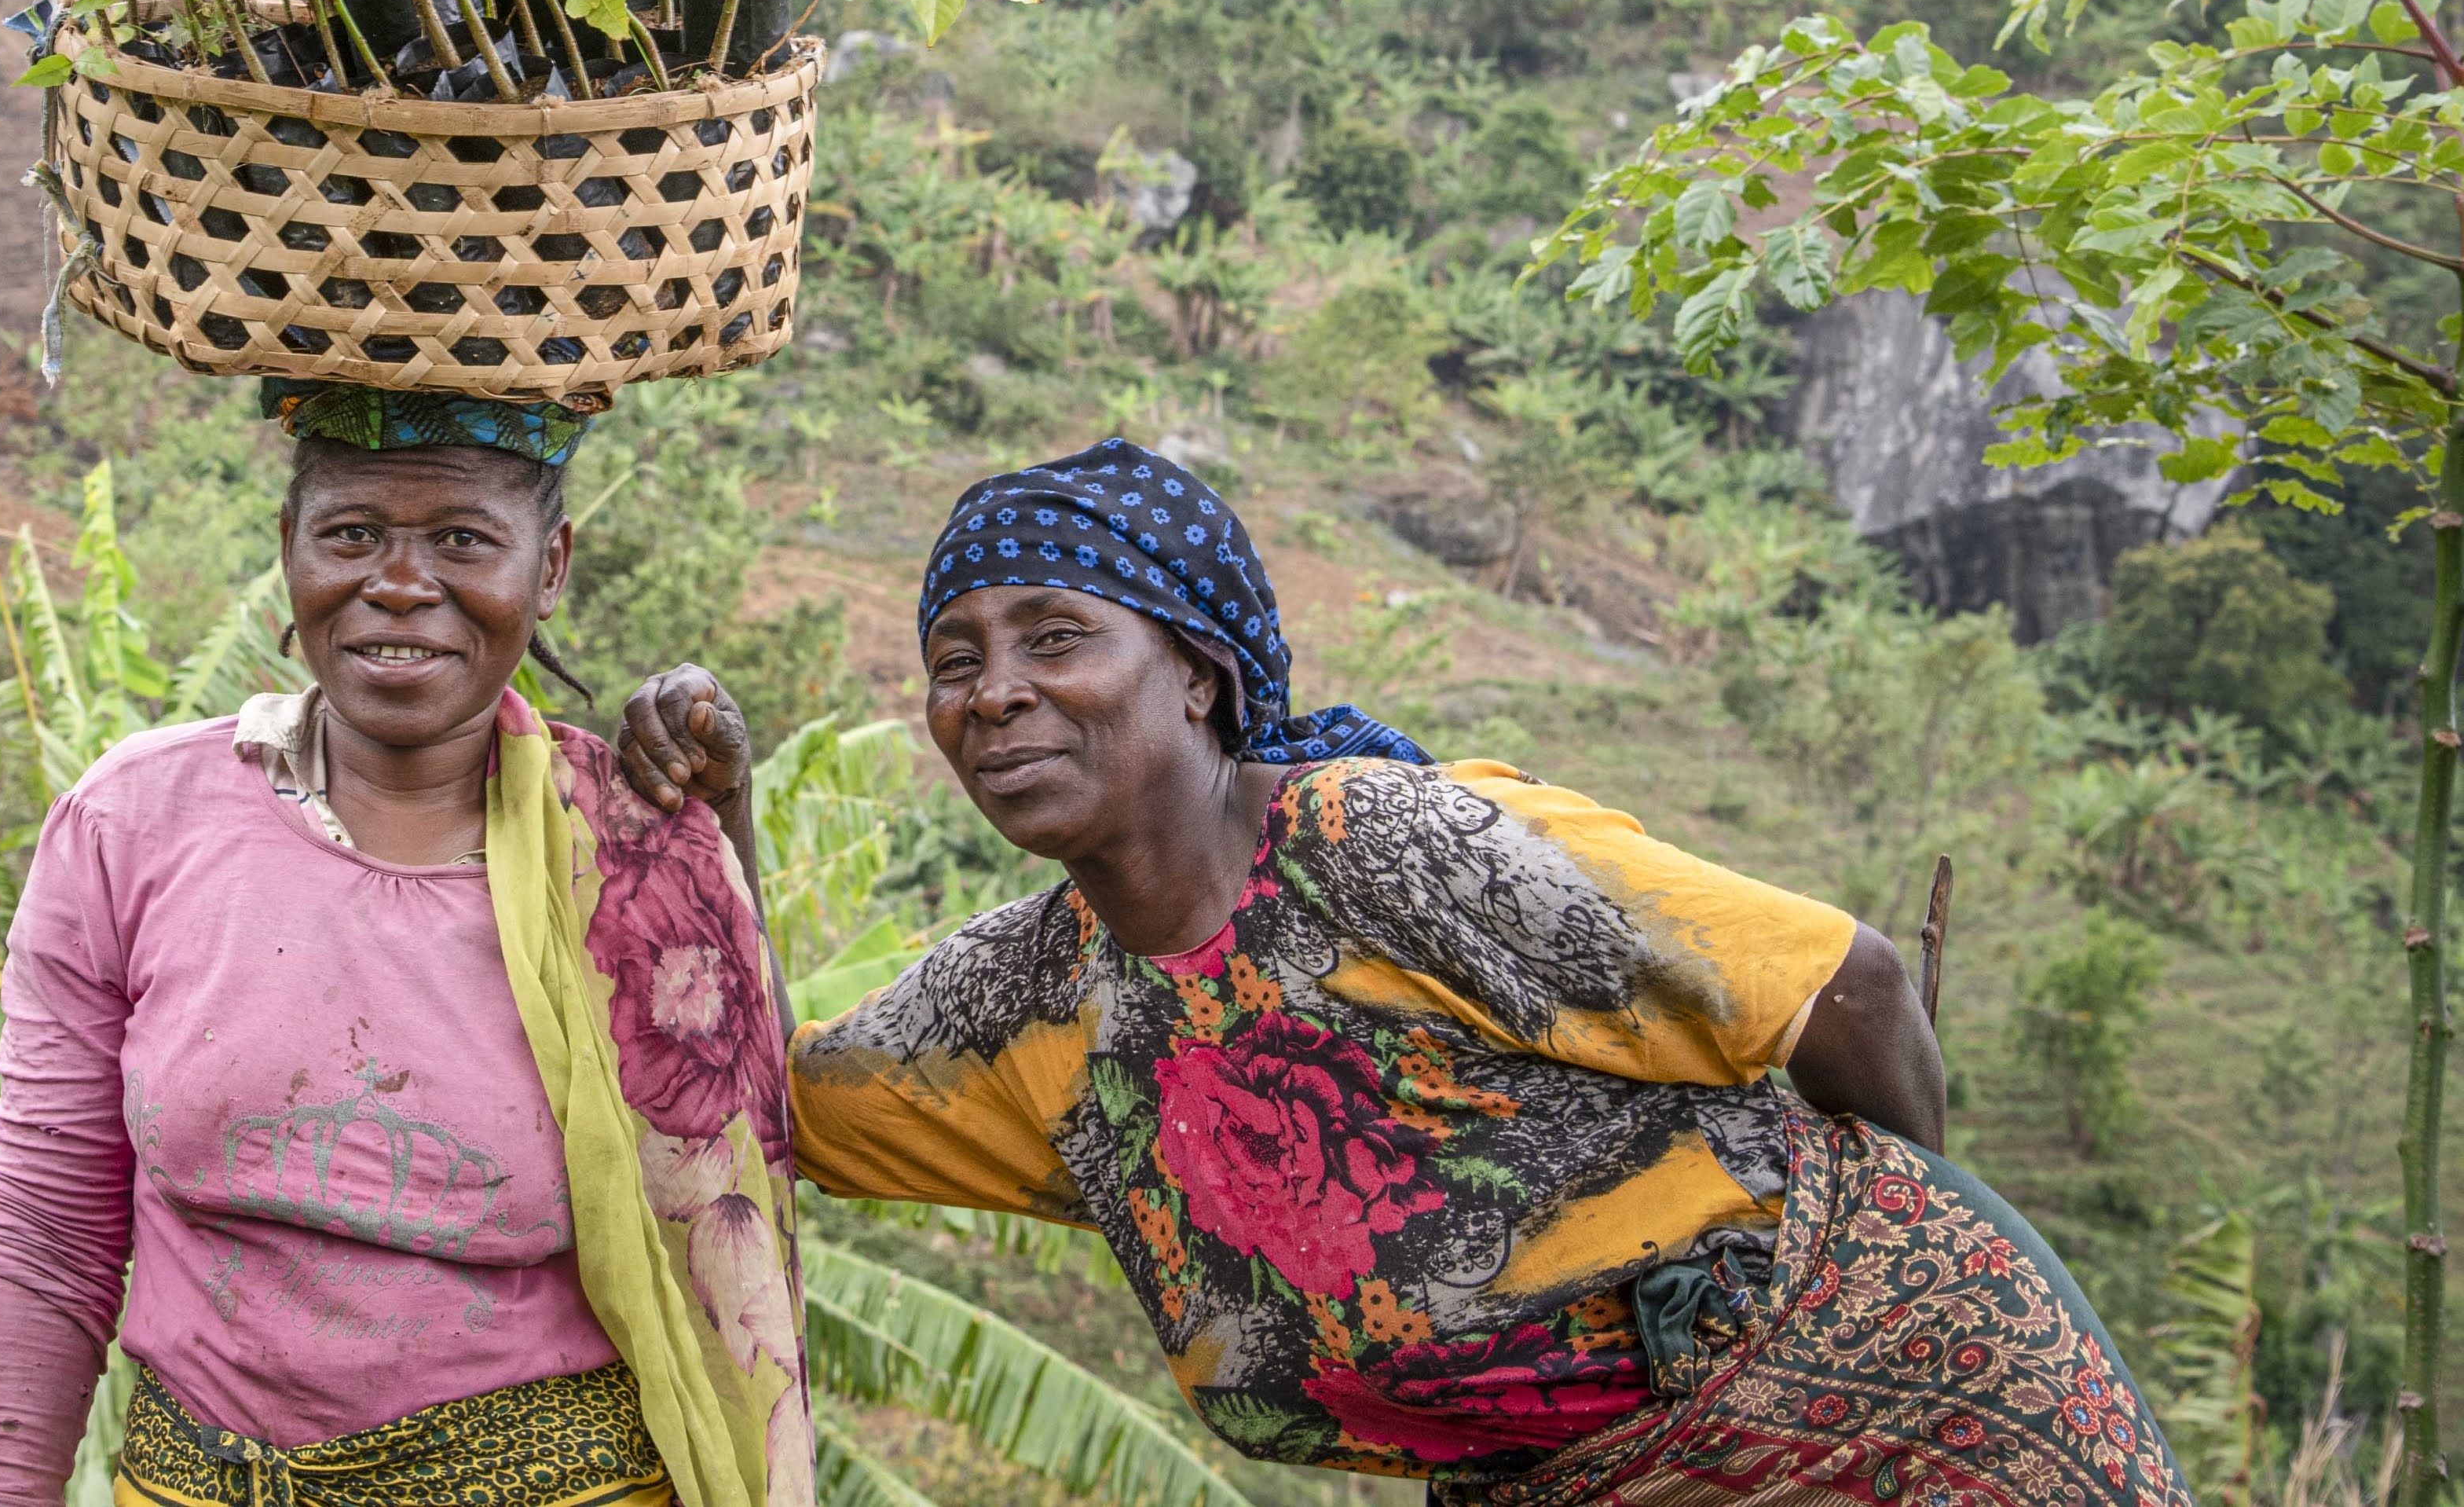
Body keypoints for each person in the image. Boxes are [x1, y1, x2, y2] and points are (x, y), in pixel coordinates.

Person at [619, 438, 2189, 1507]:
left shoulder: (1388, 850)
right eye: (956, 659)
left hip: (1886, 1412)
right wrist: (721, 805)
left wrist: (1878, 1305)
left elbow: (1848, 985)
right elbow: (758, 1090)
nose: (996, 693)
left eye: (1055, 637)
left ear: (1202, 676)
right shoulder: (1028, 1006)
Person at [0, 387, 812, 1507]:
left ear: (549, 567)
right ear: (288, 552)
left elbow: (757, 1145)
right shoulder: (133, 822)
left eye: (462, 539)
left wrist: (721, 832)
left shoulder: (627, 847)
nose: (400, 585)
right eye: (351, 534)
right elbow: (47, 1227)